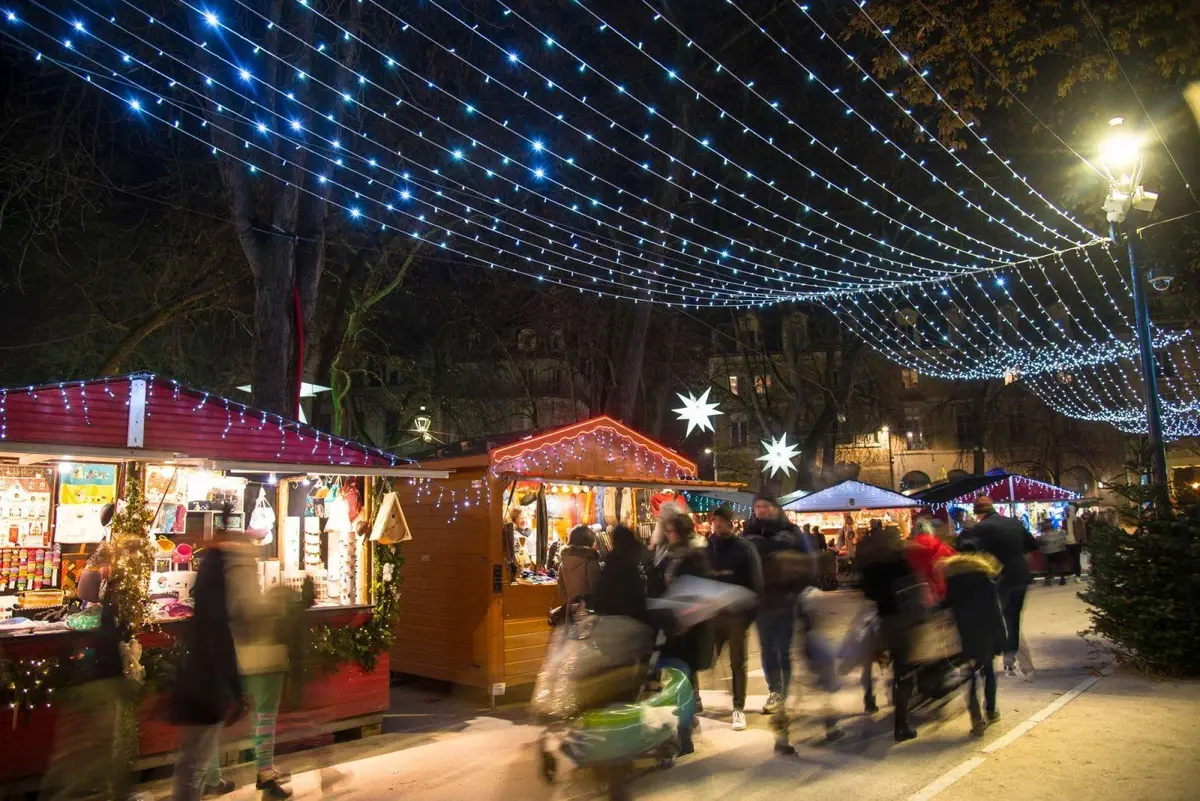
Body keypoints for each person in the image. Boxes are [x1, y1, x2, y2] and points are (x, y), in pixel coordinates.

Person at [170, 519, 245, 801]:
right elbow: (220, 636)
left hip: (197, 680)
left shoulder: (207, 572)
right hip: (205, 685)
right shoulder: (217, 575)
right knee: (194, 763)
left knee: (191, 762)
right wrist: (235, 691)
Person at [649, 512, 713, 747]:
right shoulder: (666, 555)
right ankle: (686, 721)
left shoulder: (694, 556)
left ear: (682, 532)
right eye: (665, 531)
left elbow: (698, 591)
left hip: (689, 628)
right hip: (672, 625)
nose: (667, 535)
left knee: (682, 677)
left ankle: (685, 734)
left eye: (671, 531)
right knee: (680, 677)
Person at [858, 524, 922, 742]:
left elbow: (866, 591)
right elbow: (912, 589)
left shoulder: (871, 563)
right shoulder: (899, 560)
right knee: (903, 672)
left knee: (870, 662)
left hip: (878, 618)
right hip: (901, 620)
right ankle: (901, 724)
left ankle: (870, 700)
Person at [963, 496, 1038, 680]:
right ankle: (1012, 655)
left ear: (979, 514)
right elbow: (1032, 544)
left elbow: (965, 547)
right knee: (1013, 616)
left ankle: (1002, 654)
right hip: (1020, 575)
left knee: (998, 616)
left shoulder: (981, 528)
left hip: (999, 576)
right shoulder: (1013, 522)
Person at [939, 539, 1006, 738]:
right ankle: (991, 710)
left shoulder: (953, 580)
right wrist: (1001, 638)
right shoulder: (986, 580)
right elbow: (995, 611)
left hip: (963, 632)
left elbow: (946, 605)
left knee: (969, 676)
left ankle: (976, 718)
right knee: (988, 671)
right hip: (984, 631)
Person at [706, 506, 763, 732]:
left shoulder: (745, 549)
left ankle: (738, 708)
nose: (717, 525)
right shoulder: (707, 549)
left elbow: (756, 584)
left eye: (721, 521)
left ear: (730, 523)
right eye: (714, 521)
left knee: (737, 663)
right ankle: (695, 700)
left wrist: (748, 616)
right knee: (704, 660)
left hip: (737, 617)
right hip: (713, 616)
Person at [593, 525, 647, 621]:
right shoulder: (632, 559)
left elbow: (602, 591)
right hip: (633, 614)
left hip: (614, 615)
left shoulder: (611, 562)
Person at [906, 517, 956, 602]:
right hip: (947, 586)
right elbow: (954, 560)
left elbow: (919, 571)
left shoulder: (912, 546)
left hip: (929, 590)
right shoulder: (939, 543)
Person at [557, 525, 601, 606]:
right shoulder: (590, 562)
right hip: (588, 611)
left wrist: (569, 606)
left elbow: (561, 590)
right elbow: (596, 590)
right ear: (589, 540)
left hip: (570, 611)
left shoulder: (563, 563)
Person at [1038, 519, 1067, 586]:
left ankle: (1050, 580)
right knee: (1059, 565)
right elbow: (1062, 538)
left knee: (1050, 565)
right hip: (1058, 550)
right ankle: (1062, 579)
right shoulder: (1055, 531)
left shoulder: (1044, 532)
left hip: (1049, 551)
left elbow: (1041, 540)